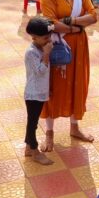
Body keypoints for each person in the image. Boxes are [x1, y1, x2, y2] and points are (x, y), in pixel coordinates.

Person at [39, 0, 97, 151]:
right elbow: (50, 22)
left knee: (76, 84)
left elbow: (93, 16)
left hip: (79, 47)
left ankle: (74, 127)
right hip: (57, 46)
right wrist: (75, 28)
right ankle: (49, 133)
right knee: (53, 87)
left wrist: (71, 21)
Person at [23, 16, 55, 165]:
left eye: (49, 37)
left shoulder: (41, 47)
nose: (49, 40)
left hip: (41, 92)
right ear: (34, 37)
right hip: (33, 94)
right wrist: (47, 54)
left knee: (33, 121)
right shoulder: (31, 52)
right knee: (32, 123)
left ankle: (28, 148)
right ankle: (35, 151)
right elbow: (41, 71)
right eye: (45, 38)